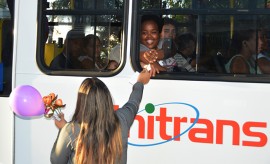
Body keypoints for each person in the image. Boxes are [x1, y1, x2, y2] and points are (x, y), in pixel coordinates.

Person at [50, 69, 152, 164]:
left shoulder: (70, 130)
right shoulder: (122, 119)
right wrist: (140, 82)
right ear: (107, 98)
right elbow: (133, 102)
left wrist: (63, 129)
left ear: (82, 102)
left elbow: (56, 161)